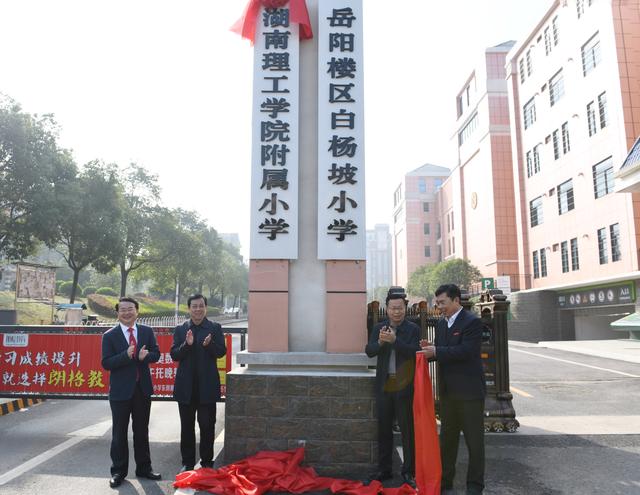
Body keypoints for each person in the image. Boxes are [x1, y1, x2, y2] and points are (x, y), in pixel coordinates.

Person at [420, 284, 485, 495]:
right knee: (447, 441)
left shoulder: (472, 322)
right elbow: (445, 353)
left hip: (470, 394)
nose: (439, 307)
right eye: (437, 303)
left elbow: (466, 351)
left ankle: (475, 486)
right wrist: (430, 350)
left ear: (456, 300)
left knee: (475, 443)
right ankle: (445, 481)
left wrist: (437, 350)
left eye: (443, 303)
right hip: (448, 394)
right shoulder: (441, 324)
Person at [101, 297, 161, 488]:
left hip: (142, 389)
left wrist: (147, 356)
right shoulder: (109, 335)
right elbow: (106, 363)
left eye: (130, 309)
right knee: (119, 432)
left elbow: (157, 354)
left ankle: (144, 468)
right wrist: (125, 356)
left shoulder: (146, 331)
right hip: (120, 392)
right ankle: (118, 471)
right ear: (117, 313)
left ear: (137, 311)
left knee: (141, 431)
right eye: (123, 310)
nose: (127, 313)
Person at [365, 287, 421, 487]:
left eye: (400, 308)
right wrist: (380, 342)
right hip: (384, 384)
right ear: (386, 309)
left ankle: (408, 471)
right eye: (392, 308)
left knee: (407, 430)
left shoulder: (413, 329)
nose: (396, 311)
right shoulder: (379, 327)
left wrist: (396, 341)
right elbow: (369, 351)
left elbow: (415, 354)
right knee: (383, 429)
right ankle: (384, 470)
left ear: (405, 308)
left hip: (404, 384)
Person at [171, 294, 227, 472]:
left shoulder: (214, 328)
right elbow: (174, 355)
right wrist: (186, 345)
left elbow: (221, 352)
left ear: (206, 307)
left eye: (201, 306)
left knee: (207, 426)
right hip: (185, 388)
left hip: (207, 387)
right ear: (189, 309)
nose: (197, 309)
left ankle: (207, 462)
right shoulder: (181, 329)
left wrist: (209, 345)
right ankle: (187, 462)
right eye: (194, 306)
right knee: (186, 427)